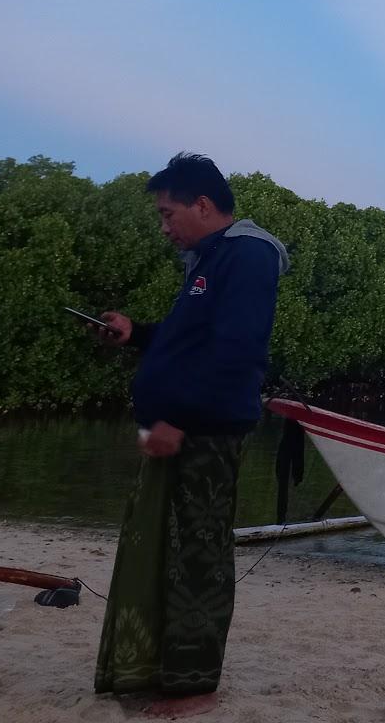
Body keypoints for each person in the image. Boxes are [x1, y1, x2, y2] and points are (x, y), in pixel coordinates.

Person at [90, 153, 289, 707]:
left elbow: (237, 350)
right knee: (161, 549)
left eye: (168, 212)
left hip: (205, 431)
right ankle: (156, 668)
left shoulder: (247, 255)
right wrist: (135, 335)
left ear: (203, 204)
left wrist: (178, 419)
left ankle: (193, 687)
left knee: (197, 556)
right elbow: (187, 342)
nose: (164, 226)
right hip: (180, 428)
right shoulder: (207, 260)